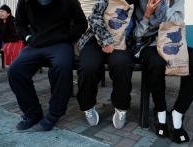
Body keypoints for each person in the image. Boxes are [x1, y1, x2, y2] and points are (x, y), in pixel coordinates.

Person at [8, 0, 88, 131]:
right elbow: (19, 23)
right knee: (15, 70)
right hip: (35, 44)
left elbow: (82, 23)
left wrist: (67, 37)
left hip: (60, 43)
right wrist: (28, 38)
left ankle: (54, 114)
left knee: (62, 67)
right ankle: (33, 113)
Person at [134, 0, 193, 143]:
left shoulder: (176, 1)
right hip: (150, 45)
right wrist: (147, 14)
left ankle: (177, 113)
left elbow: (176, 23)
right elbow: (137, 35)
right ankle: (160, 111)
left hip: (173, 45)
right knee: (156, 63)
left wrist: (165, 6)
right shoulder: (141, 2)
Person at [77, 0, 135, 129]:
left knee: (122, 64)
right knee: (88, 66)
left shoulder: (138, 3)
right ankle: (88, 106)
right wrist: (105, 41)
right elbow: (94, 16)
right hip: (96, 37)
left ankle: (121, 107)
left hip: (121, 39)